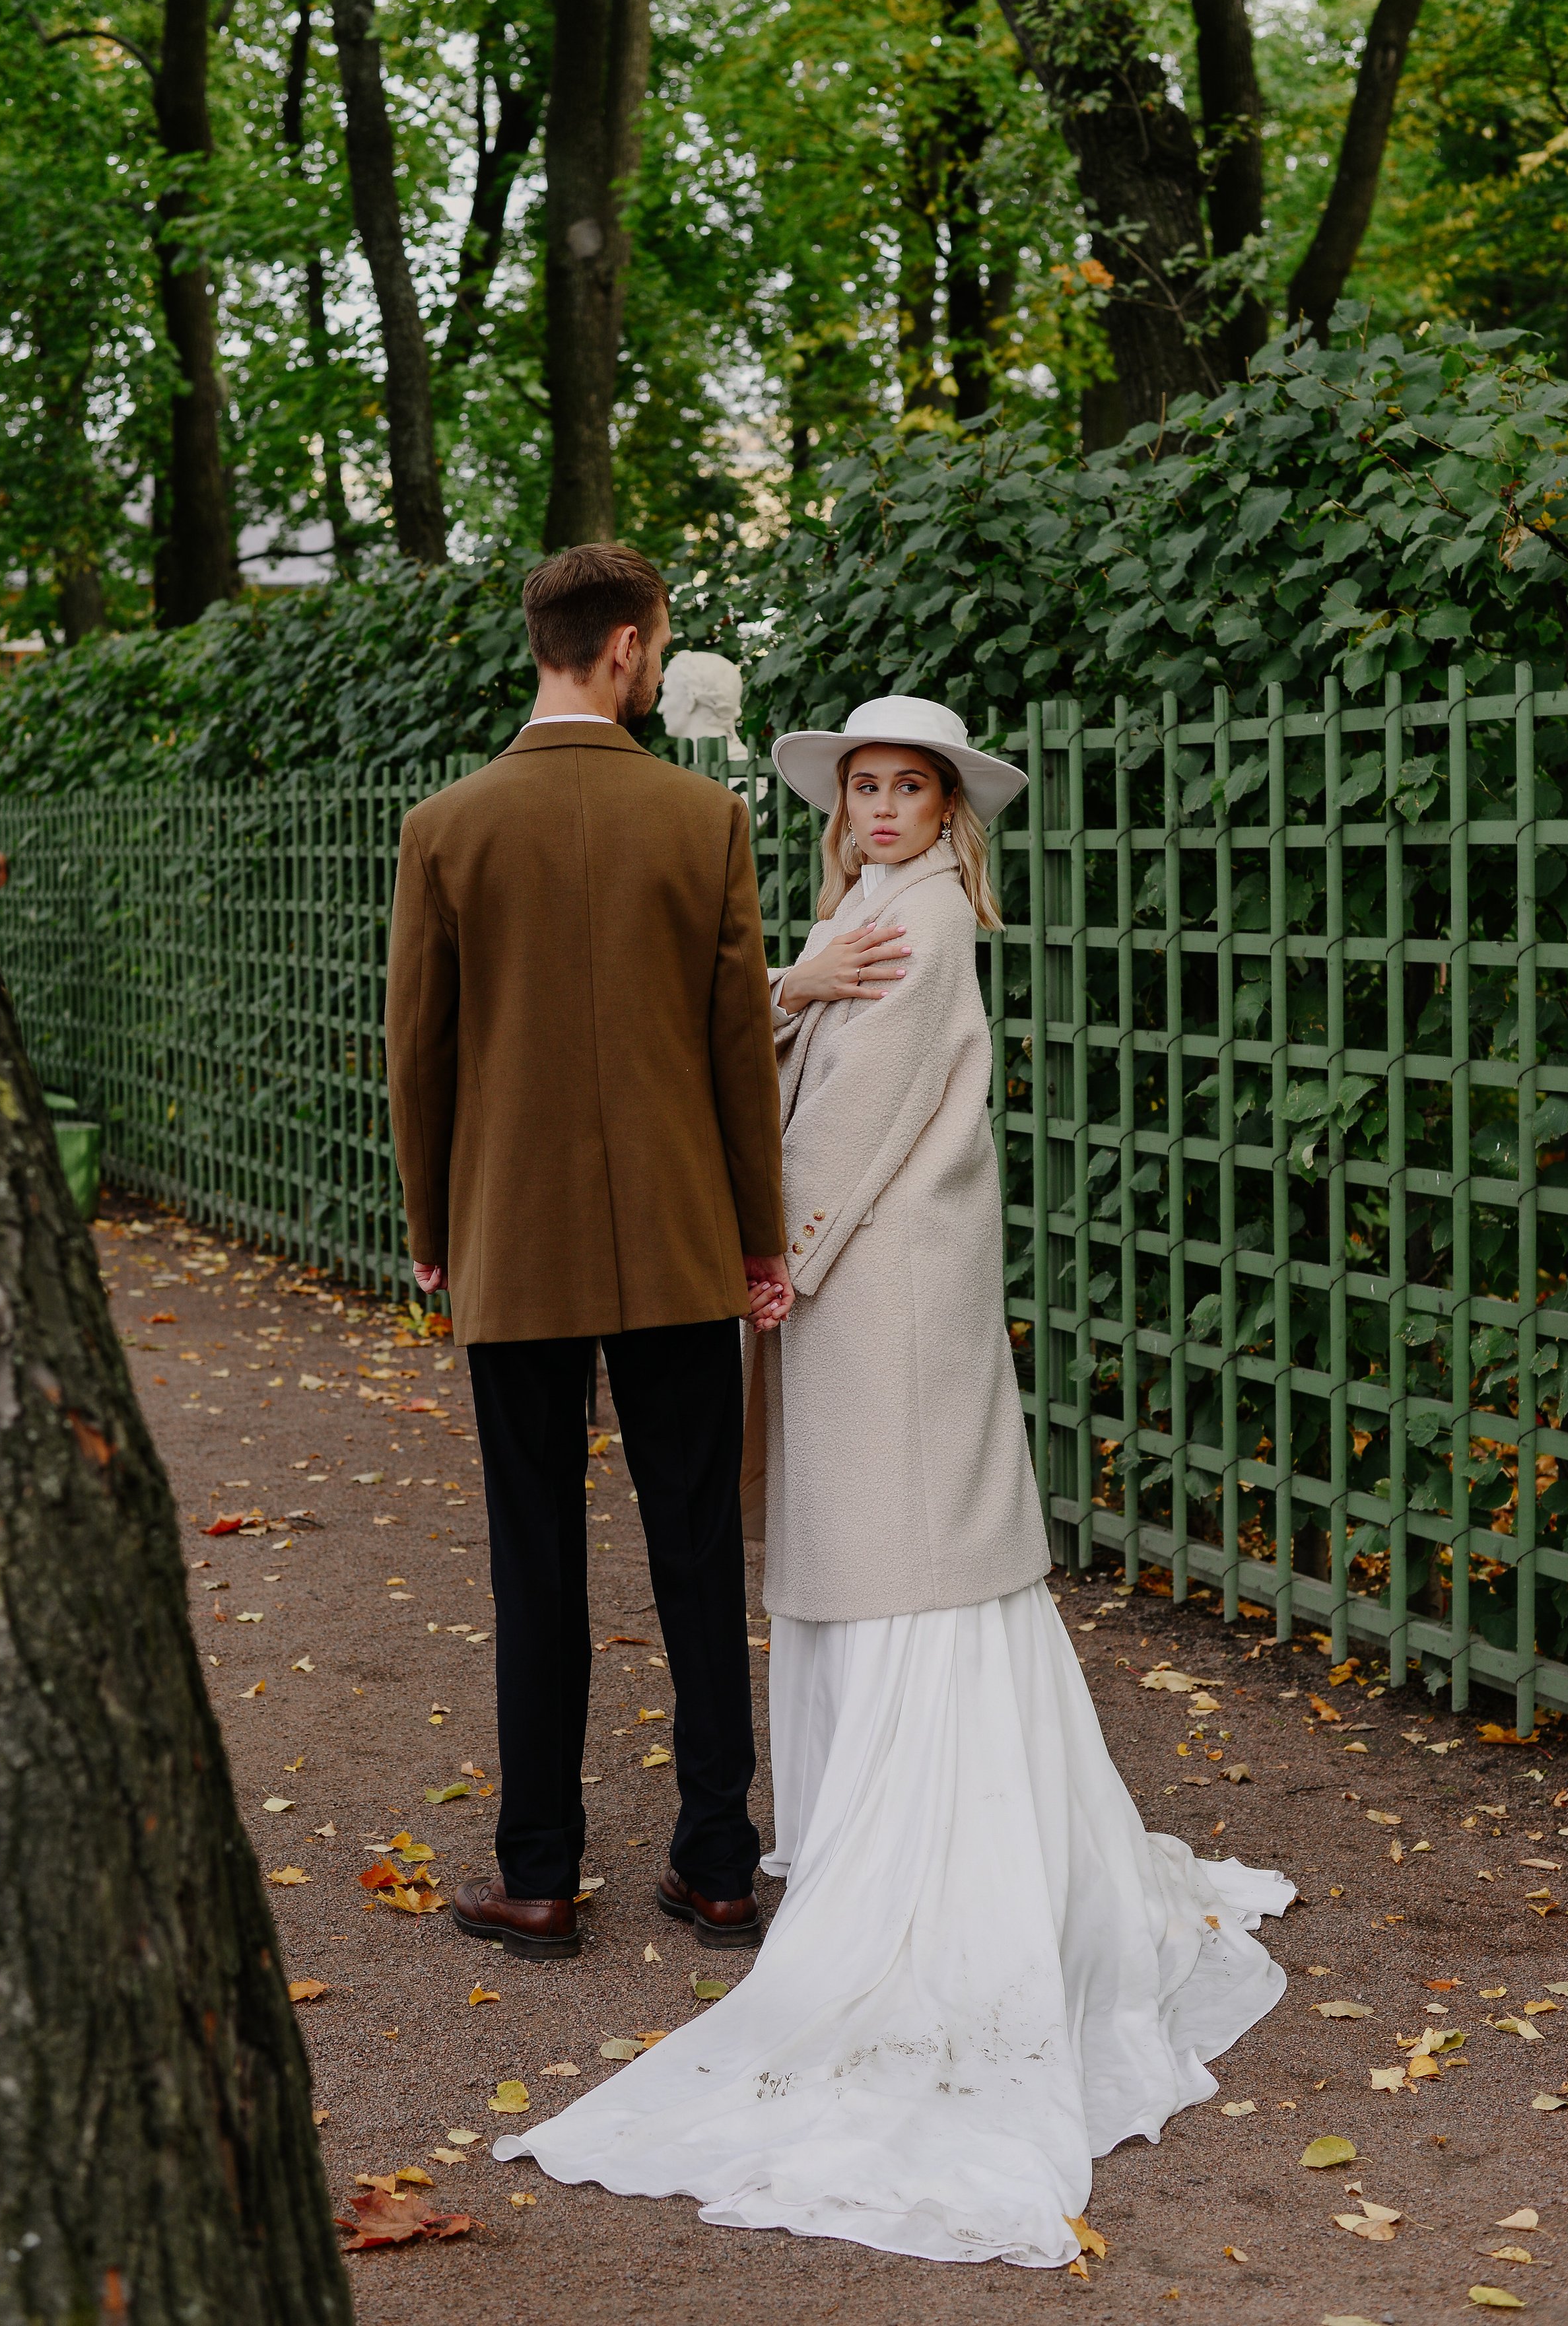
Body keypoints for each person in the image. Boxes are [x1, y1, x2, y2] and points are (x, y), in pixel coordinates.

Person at [494, 693, 1293, 2267]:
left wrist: (763, 1258)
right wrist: (786, 986)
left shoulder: (922, 930)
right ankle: (868, 1835)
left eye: (905, 788)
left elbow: (845, 1130)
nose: (877, 807)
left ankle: (918, 1856)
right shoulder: (856, 913)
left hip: (884, 1292)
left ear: (946, 814)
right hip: (861, 1293)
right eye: (859, 784)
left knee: (901, 1550)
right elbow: (784, 1043)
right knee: (874, 1548)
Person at [384, 543, 792, 1963]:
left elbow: (418, 1057)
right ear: (625, 649)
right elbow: (739, 1053)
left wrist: (436, 1232)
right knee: (692, 1553)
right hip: (679, 1243)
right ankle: (717, 1865)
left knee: (533, 1559)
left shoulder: (444, 827)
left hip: (514, 1247)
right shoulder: (703, 820)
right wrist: (756, 1239)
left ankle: (541, 1877)